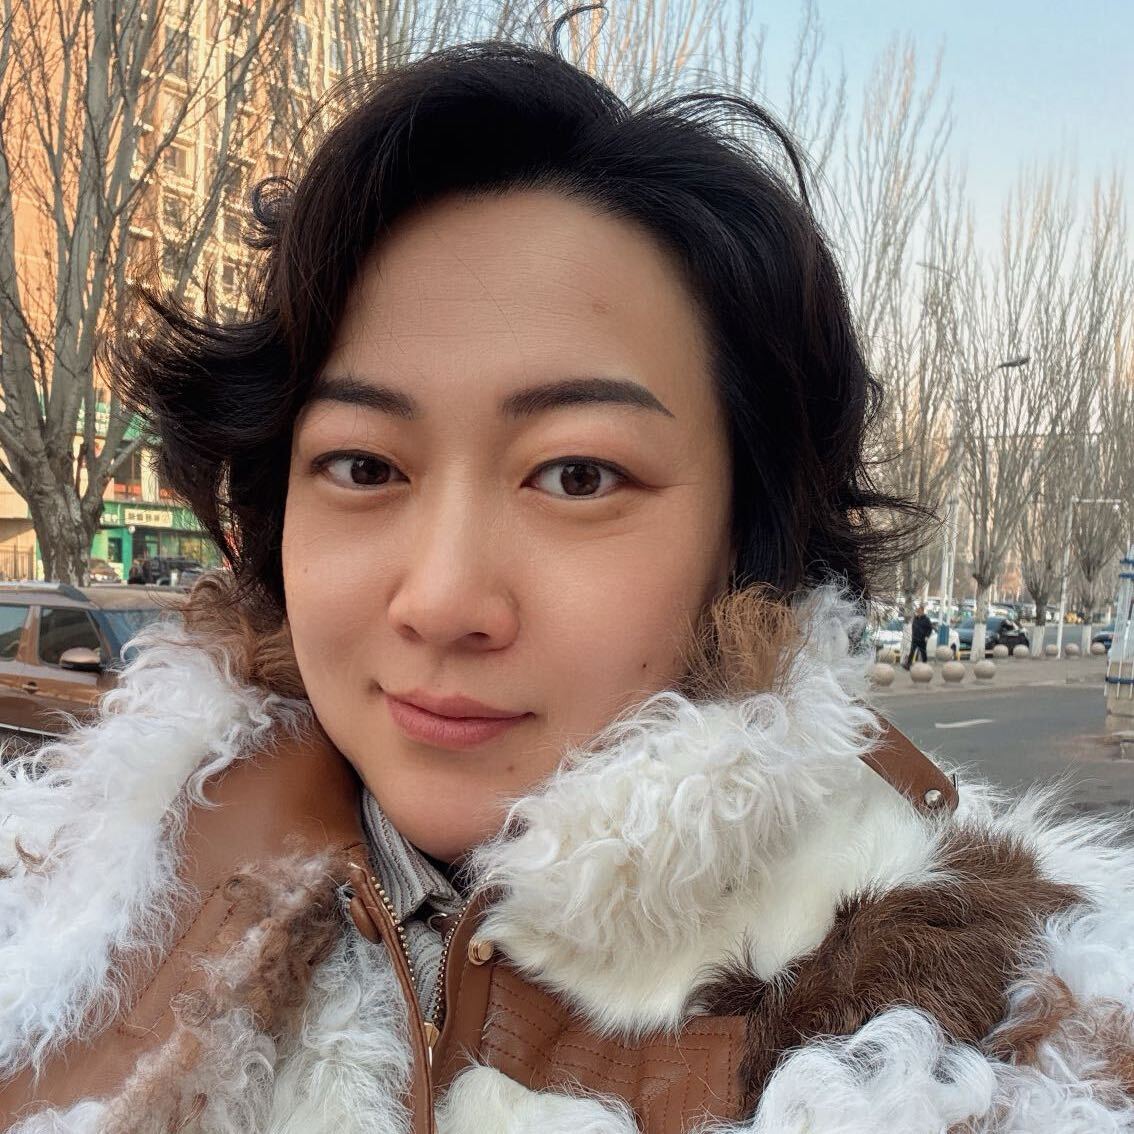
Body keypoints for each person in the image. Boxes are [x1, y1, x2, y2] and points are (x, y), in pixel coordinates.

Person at [3, 28, 1133, 1134]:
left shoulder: (1009, 1029)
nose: (442, 601)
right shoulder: (72, 905)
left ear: (748, 538)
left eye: (577, 475)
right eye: (364, 466)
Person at [904, 603, 934, 668]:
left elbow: (930, 628)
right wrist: (912, 635)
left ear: (923, 611)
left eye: (919, 611)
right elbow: (913, 627)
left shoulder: (926, 619)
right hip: (915, 638)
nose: (918, 613)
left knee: (923, 653)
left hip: (922, 639)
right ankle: (908, 665)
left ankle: (925, 665)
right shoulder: (915, 619)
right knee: (912, 652)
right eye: (917, 611)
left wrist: (927, 636)